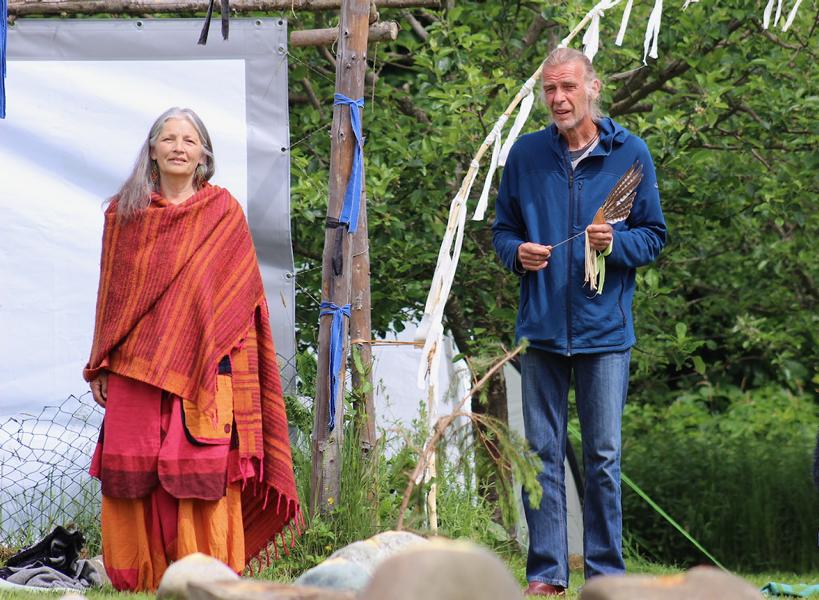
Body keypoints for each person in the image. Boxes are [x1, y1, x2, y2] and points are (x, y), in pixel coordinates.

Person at [84, 107, 299, 592]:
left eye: (188, 139)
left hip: (204, 369)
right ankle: (140, 579)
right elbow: (111, 298)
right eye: (169, 138)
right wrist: (99, 362)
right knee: (133, 475)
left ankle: (204, 577)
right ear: (152, 150)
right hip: (134, 370)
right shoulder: (125, 214)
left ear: (204, 153)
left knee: (201, 474)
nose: (179, 147)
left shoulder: (222, 214)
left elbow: (242, 302)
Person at [492, 48, 667, 596]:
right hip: (541, 329)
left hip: (605, 334)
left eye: (568, 87)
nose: (559, 98)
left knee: (603, 459)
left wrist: (616, 244)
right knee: (541, 456)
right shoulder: (525, 155)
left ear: (593, 87)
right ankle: (547, 574)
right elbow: (501, 232)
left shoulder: (630, 153)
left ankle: (606, 577)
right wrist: (516, 253)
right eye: (549, 89)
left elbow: (654, 237)